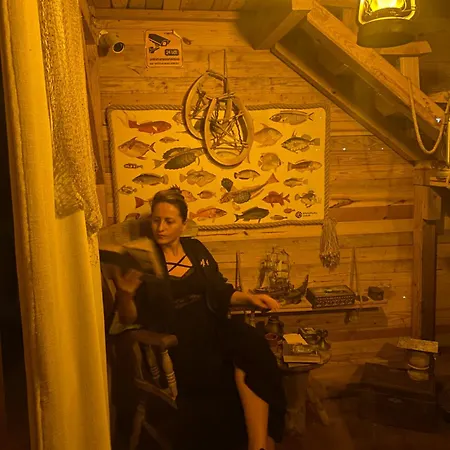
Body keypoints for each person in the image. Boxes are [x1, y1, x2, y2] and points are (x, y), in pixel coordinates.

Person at [112, 186, 286, 450]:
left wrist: (251, 298)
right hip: (177, 338)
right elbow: (129, 319)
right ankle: (259, 442)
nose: (160, 228)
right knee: (227, 366)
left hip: (210, 323)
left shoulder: (195, 249)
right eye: (156, 220)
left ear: (183, 224)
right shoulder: (142, 259)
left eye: (169, 221)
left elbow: (219, 291)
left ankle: (258, 443)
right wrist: (125, 295)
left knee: (253, 344)